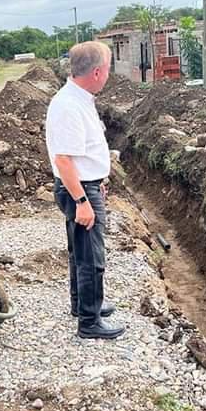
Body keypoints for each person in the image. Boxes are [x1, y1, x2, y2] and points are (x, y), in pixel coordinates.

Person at [45, 41, 125, 340]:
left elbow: (82, 154)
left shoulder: (79, 99)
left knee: (79, 251)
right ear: (96, 72)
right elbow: (63, 160)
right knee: (91, 257)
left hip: (85, 185)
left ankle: (82, 305)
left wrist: (97, 181)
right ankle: (90, 322)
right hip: (78, 189)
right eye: (108, 69)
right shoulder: (69, 106)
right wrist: (82, 200)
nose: (108, 75)